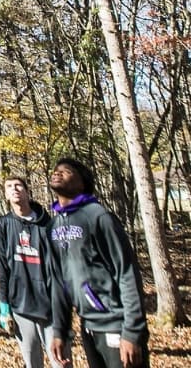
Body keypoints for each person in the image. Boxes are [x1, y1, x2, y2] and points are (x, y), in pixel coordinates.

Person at [47, 158, 149, 368]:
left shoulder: (98, 217)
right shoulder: (54, 226)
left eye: (66, 171)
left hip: (117, 324)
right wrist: (60, 330)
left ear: (82, 183)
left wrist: (131, 331)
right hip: (89, 326)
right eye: (56, 171)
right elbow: (59, 282)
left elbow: (127, 273)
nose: (58, 173)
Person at [0, 175, 61, 368]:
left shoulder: (47, 223)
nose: (14, 189)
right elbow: (3, 266)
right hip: (20, 305)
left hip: (50, 305)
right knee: (32, 362)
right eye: (9, 187)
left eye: (18, 185)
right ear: (6, 195)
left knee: (60, 361)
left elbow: (58, 265)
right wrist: (4, 307)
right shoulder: (4, 225)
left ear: (27, 190)